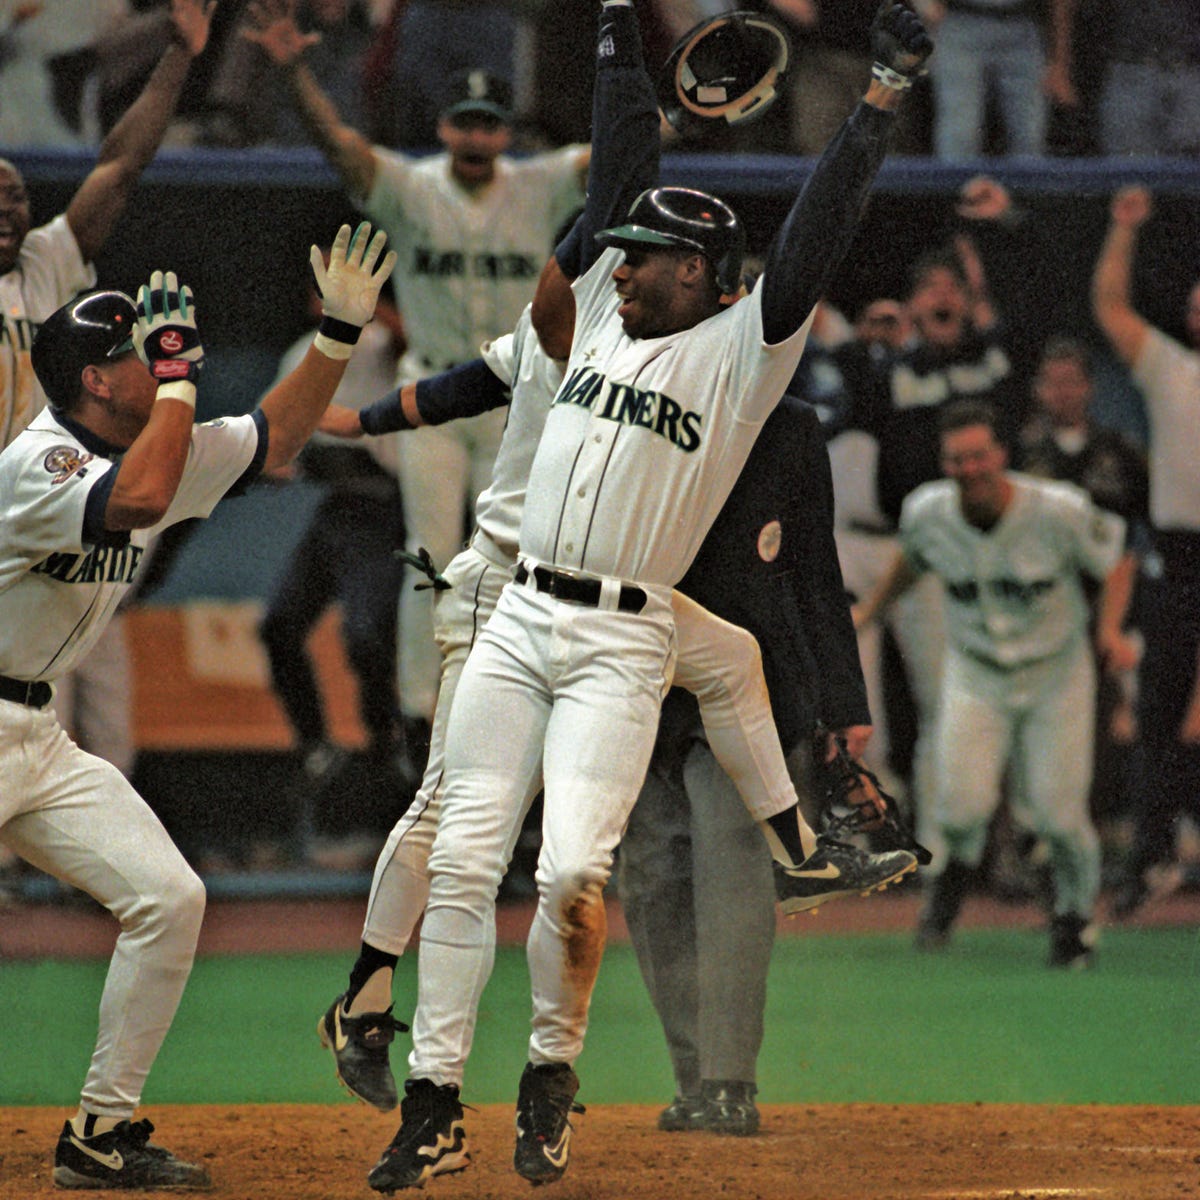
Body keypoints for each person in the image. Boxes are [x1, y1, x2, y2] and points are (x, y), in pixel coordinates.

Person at [310, 5, 912, 1159]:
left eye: (643, 256)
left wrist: (878, 97)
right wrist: (613, 24)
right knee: (470, 848)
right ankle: (430, 1090)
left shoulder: (742, 354)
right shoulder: (593, 308)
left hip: (626, 637)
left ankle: (559, 1056)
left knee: (581, 865)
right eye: (615, 249)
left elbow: (817, 237)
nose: (619, 265)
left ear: (704, 273)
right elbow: (622, 149)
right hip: (518, 603)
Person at [0, 221, 395, 1190]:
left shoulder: (151, 441)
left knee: (168, 900)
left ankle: (98, 1133)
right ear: (97, 380)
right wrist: (177, 385)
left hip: (35, 735)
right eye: (137, 351)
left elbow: (273, 440)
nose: (161, 356)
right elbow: (134, 502)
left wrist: (335, 339)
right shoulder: (38, 465)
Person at [246, 0, 589, 779]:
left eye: (488, 125)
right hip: (433, 387)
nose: (475, 138)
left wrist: (674, 107)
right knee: (429, 555)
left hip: (514, 395)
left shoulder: (540, 180)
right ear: (445, 129)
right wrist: (295, 71)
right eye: (463, 123)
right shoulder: (413, 184)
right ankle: (417, 716)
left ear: (506, 132)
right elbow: (340, 148)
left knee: (526, 556)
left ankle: (528, 709)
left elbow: (619, 154)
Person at [618, 389, 873, 1138]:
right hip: (636, 679)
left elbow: (814, 566)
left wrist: (843, 697)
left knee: (730, 874)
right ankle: (693, 1076)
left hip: (752, 683)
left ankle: (731, 1079)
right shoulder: (621, 400)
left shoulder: (785, 424)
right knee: (654, 879)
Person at [855, 400, 1134, 967]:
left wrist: (1108, 629)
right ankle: (951, 886)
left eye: (979, 455)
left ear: (1001, 456)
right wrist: (872, 610)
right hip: (976, 673)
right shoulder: (928, 511)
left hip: (1057, 674)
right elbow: (913, 559)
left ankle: (1075, 921)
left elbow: (1118, 559)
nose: (969, 468)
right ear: (944, 463)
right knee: (958, 810)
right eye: (956, 459)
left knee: (1058, 816)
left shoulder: (1057, 509)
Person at [256, 277, 408, 857]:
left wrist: (373, 311)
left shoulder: (374, 342)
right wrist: (270, 459)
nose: (326, 302)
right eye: (320, 291)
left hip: (383, 505)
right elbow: (270, 434)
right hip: (334, 507)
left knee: (367, 637)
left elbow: (411, 343)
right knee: (277, 625)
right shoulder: (304, 352)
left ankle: (386, 740)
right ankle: (316, 744)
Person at [1091, 185, 1200, 918]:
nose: (1196, 311)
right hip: (1180, 557)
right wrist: (1123, 230)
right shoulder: (1170, 368)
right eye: (1194, 302)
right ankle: (1144, 859)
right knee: (1157, 715)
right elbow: (1109, 307)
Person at [1017, 335, 1149, 868]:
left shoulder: (1119, 451)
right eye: (1054, 381)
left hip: (1114, 609)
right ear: (1040, 389)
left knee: (1115, 724)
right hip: (1041, 610)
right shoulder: (1024, 451)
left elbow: (1144, 530)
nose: (1064, 391)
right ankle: (1035, 841)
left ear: (1091, 388)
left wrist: (1121, 619)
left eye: (1074, 380)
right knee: (1039, 725)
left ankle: (1111, 837)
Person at [912, 0, 1075, 158]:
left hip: (1022, 26)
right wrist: (924, 4)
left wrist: (1060, 63)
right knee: (961, 133)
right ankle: (955, 185)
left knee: (1030, 135)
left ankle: (1027, 186)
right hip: (962, 23)